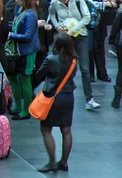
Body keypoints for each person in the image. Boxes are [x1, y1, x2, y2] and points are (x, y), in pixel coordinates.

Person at [49, 0, 100, 111]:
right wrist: (57, 26)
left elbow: (86, 17)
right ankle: (60, 94)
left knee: (84, 68)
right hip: (65, 37)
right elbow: (51, 15)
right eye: (61, 1)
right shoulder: (55, 1)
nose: (64, 2)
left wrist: (74, 30)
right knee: (64, 66)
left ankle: (89, 98)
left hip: (80, 35)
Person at [35, 33, 77, 173]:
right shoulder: (73, 61)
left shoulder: (51, 59)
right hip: (68, 97)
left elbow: (39, 75)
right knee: (66, 130)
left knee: (46, 129)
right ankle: (64, 162)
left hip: (53, 98)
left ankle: (52, 163)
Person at [7, 0, 40, 120]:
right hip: (19, 51)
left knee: (25, 79)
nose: (16, 1)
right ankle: (18, 106)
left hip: (27, 51)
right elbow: (16, 26)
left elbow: (28, 36)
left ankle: (26, 110)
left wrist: (10, 35)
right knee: (14, 78)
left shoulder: (31, 14)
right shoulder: (21, 10)